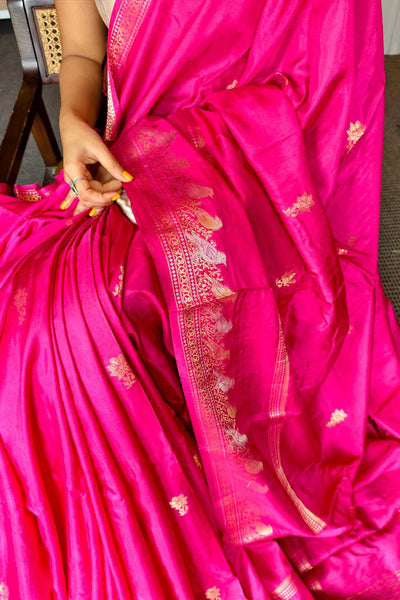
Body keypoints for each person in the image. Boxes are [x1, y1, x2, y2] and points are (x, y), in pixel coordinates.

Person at [0, 0, 399, 598]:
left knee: (104, 313)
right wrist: (77, 122)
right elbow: (82, 52)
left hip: (255, 168)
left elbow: (319, 85)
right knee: (33, 325)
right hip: (127, 166)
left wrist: (181, 158)